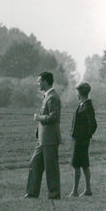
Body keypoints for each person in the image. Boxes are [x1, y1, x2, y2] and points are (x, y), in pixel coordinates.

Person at [25, 71, 62, 200]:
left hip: (50, 139)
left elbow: (54, 117)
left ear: (46, 82)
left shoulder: (52, 97)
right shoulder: (47, 96)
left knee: (51, 168)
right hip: (43, 139)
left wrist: (38, 118)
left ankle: (54, 195)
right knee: (34, 163)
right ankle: (32, 193)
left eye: (39, 81)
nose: (38, 83)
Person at [69, 81, 97, 196]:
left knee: (76, 164)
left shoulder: (87, 106)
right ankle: (87, 190)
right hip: (79, 139)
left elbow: (93, 124)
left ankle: (75, 191)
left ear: (80, 93)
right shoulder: (82, 104)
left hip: (81, 140)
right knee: (84, 164)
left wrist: (85, 137)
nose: (76, 94)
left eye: (77, 92)